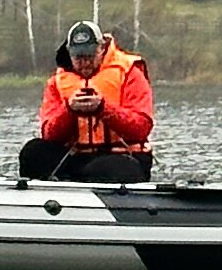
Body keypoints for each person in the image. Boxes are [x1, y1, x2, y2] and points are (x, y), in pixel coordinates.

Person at [17, 17, 153, 178]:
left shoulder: (130, 73)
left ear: (102, 49)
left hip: (124, 156)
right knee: (33, 152)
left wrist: (103, 108)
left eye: (90, 56)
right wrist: (69, 110)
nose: (85, 63)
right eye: (78, 58)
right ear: (70, 54)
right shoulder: (57, 81)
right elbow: (50, 134)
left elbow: (141, 128)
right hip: (78, 156)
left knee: (102, 170)